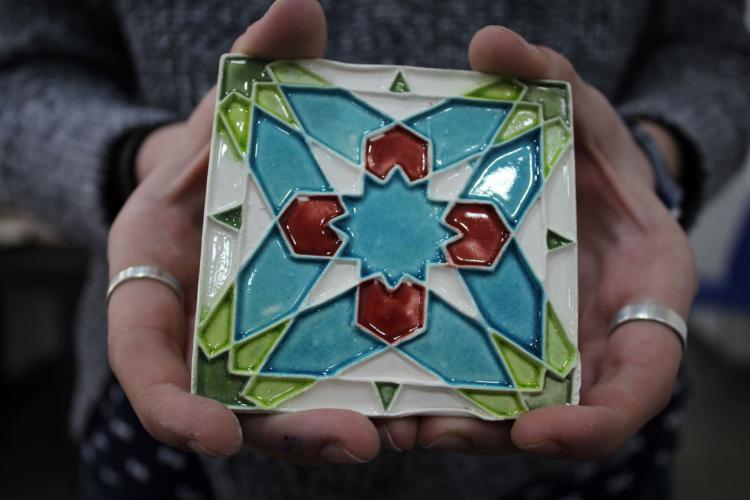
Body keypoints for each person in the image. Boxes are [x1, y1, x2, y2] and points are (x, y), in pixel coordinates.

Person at [1, 0, 749, 498]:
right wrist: (146, 162)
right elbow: (20, 71)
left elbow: (715, 51)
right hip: (180, 413)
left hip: (583, 428)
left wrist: (646, 169)